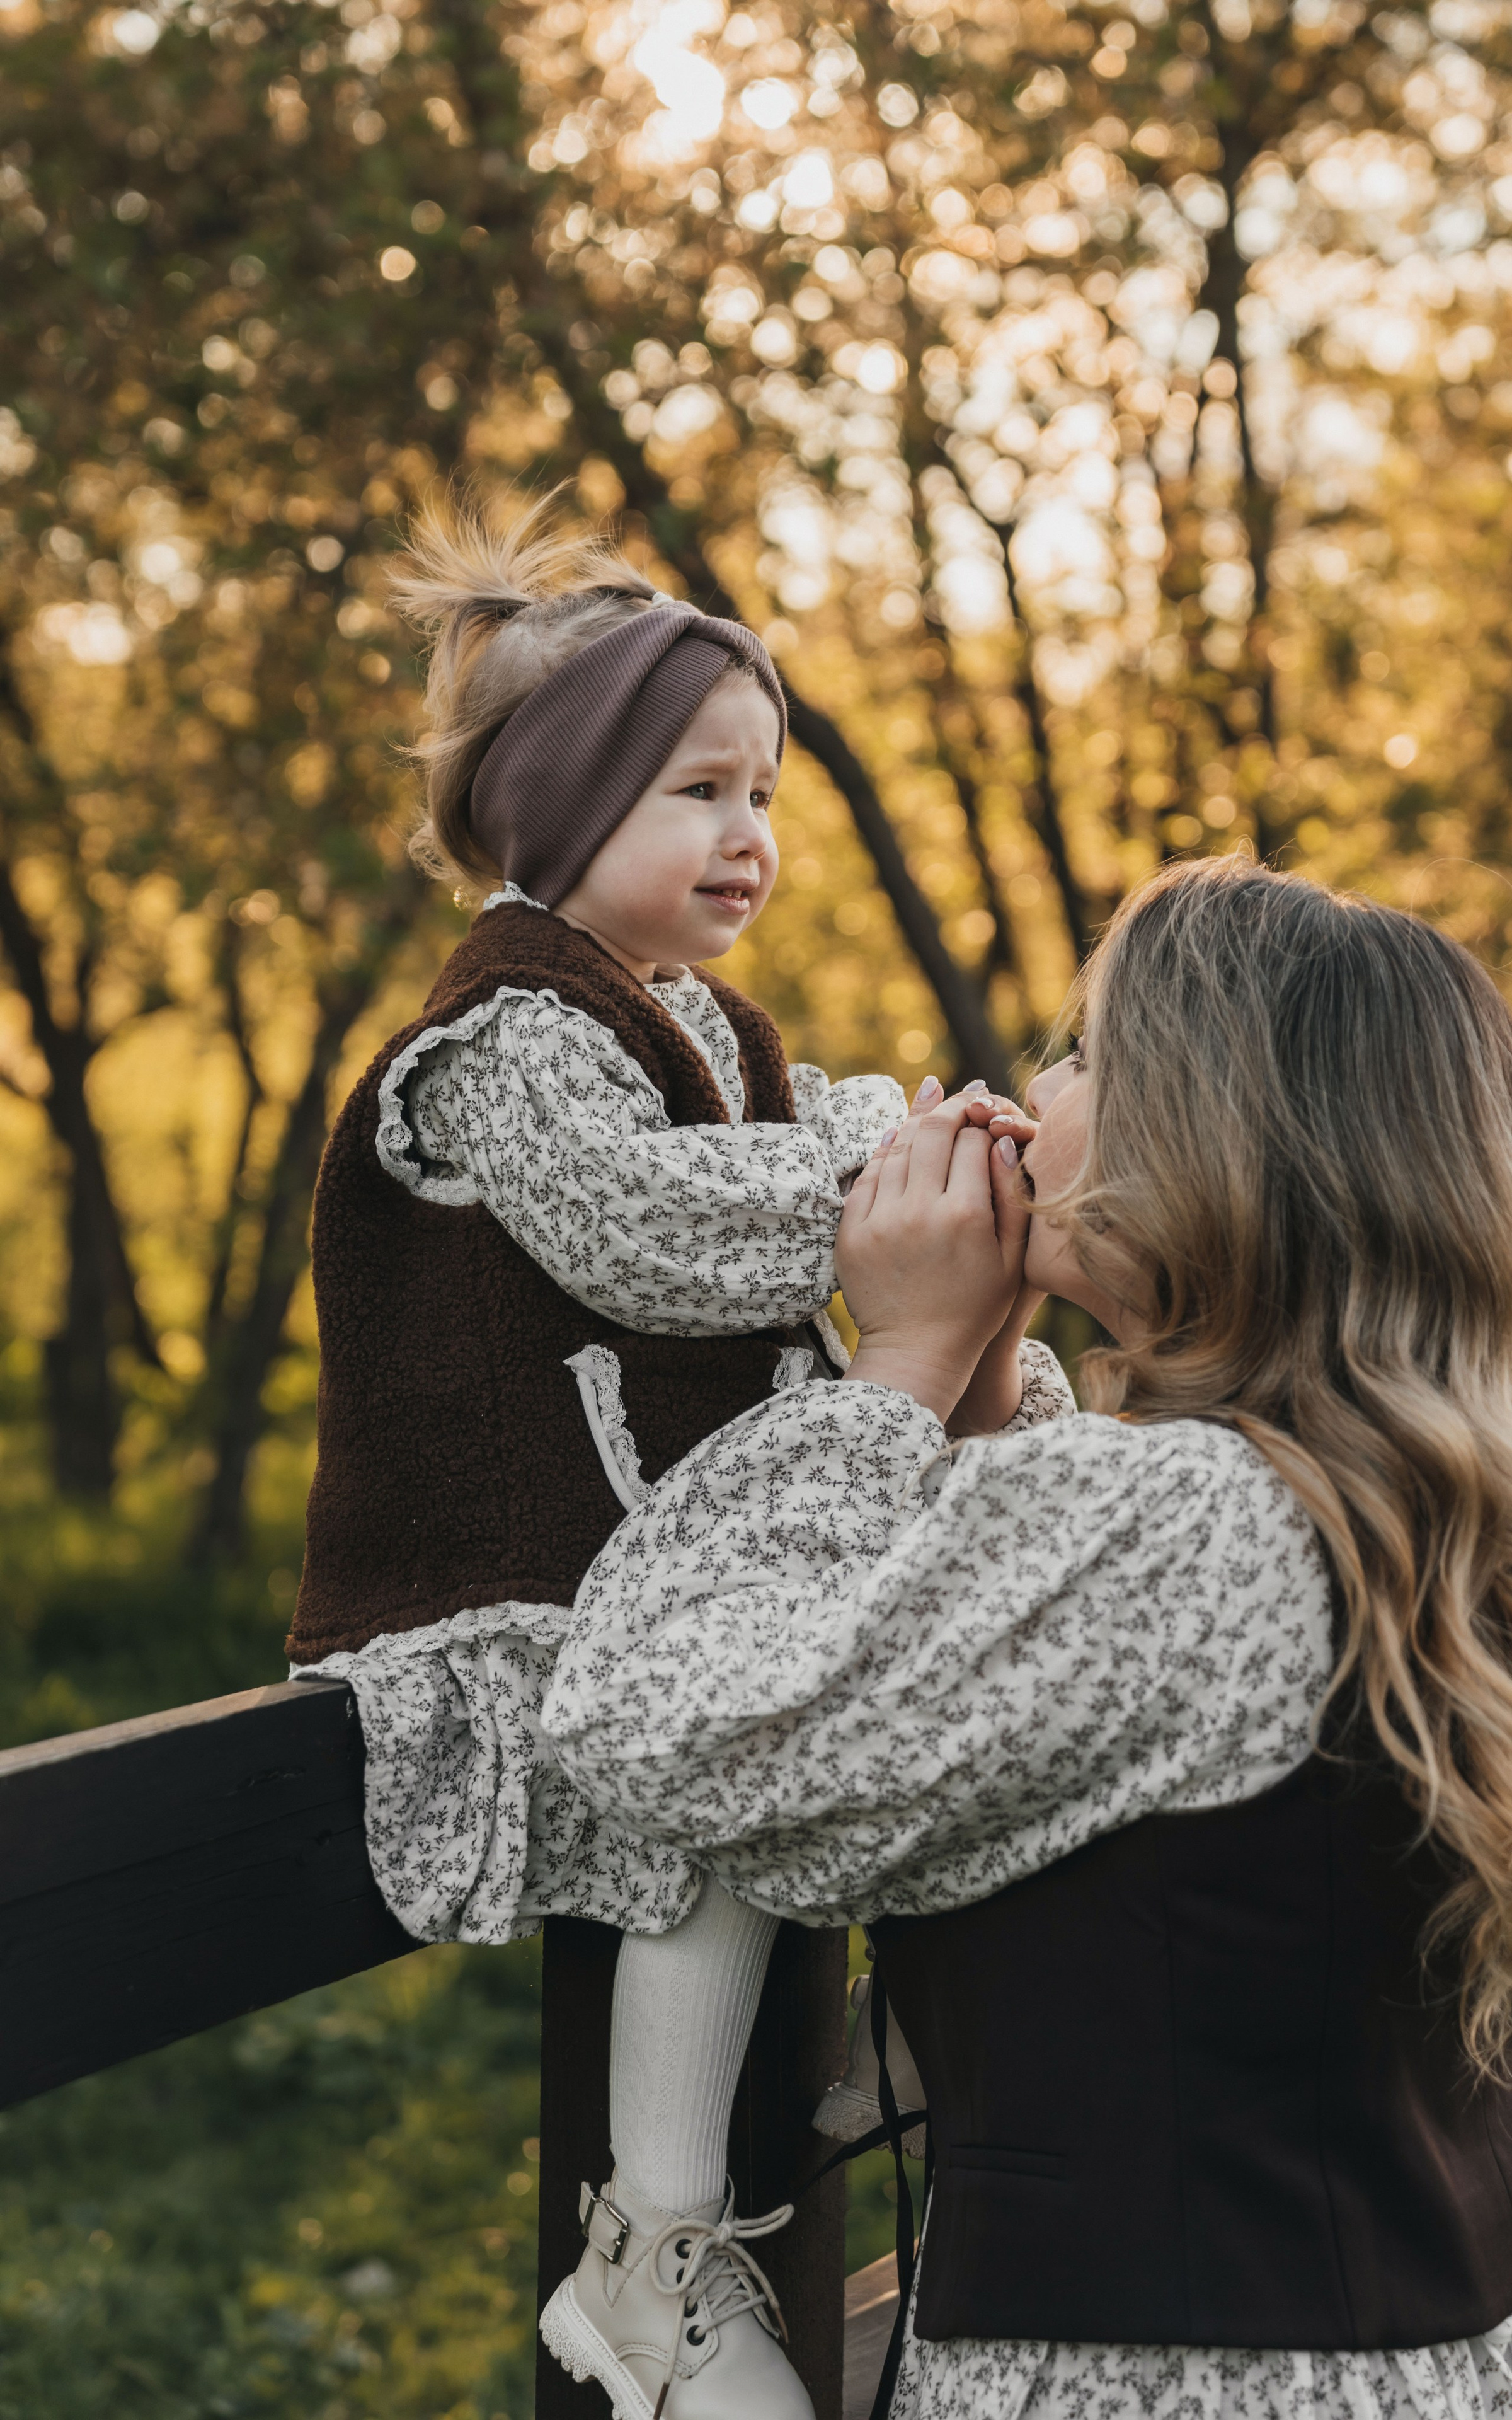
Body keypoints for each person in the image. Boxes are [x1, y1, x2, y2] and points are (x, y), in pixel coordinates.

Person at [544, 853, 1512, 2419]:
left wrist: (895, 1365)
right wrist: (975, 1408)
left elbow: (662, 1716)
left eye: (1088, 1050)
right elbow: (1033, 1722)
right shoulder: (1430, 1506)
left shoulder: (1171, 1524)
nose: (1034, 1086)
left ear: (1218, 1142)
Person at [282, 499, 1044, 2419]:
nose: (752, 835)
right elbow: (645, 1226)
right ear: (556, 815)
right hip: (522, 1564)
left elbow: (768, 1182)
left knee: (854, 1702)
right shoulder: (502, 1042)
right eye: (697, 790)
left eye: (763, 790)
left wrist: (909, 1181)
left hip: (666, 1555)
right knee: (696, 1817)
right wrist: (896, 1195)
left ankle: (883, 2037)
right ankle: (659, 2250)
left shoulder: (708, 1021)